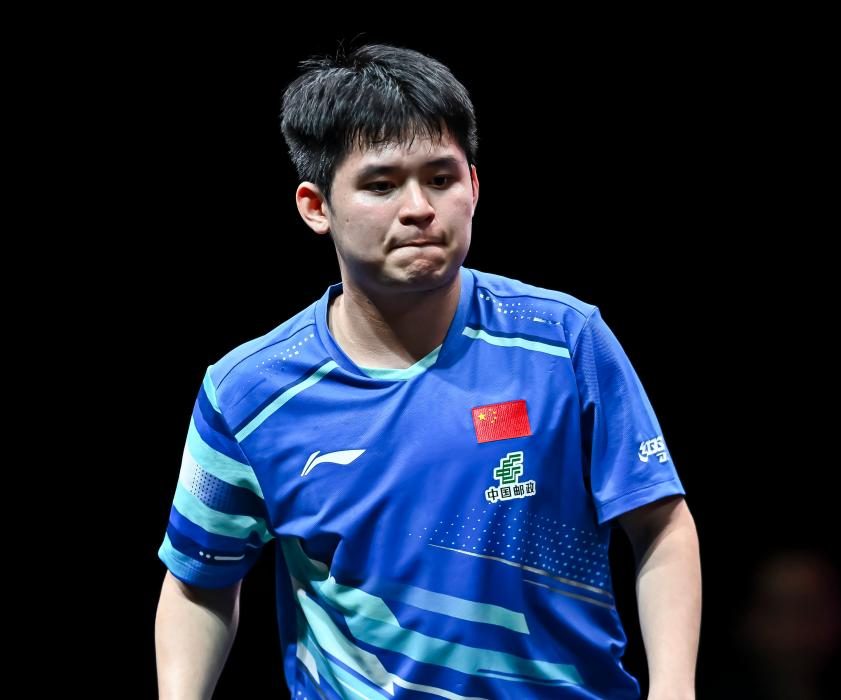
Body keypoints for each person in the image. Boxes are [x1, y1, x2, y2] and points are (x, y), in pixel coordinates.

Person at [154, 42, 701, 700]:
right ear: (315, 205)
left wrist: (675, 689)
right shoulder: (248, 393)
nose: (418, 207)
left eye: (440, 178)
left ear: (474, 186)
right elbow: (199, 582)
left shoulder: (564, 341)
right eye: (381, 185)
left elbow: (659, 522)